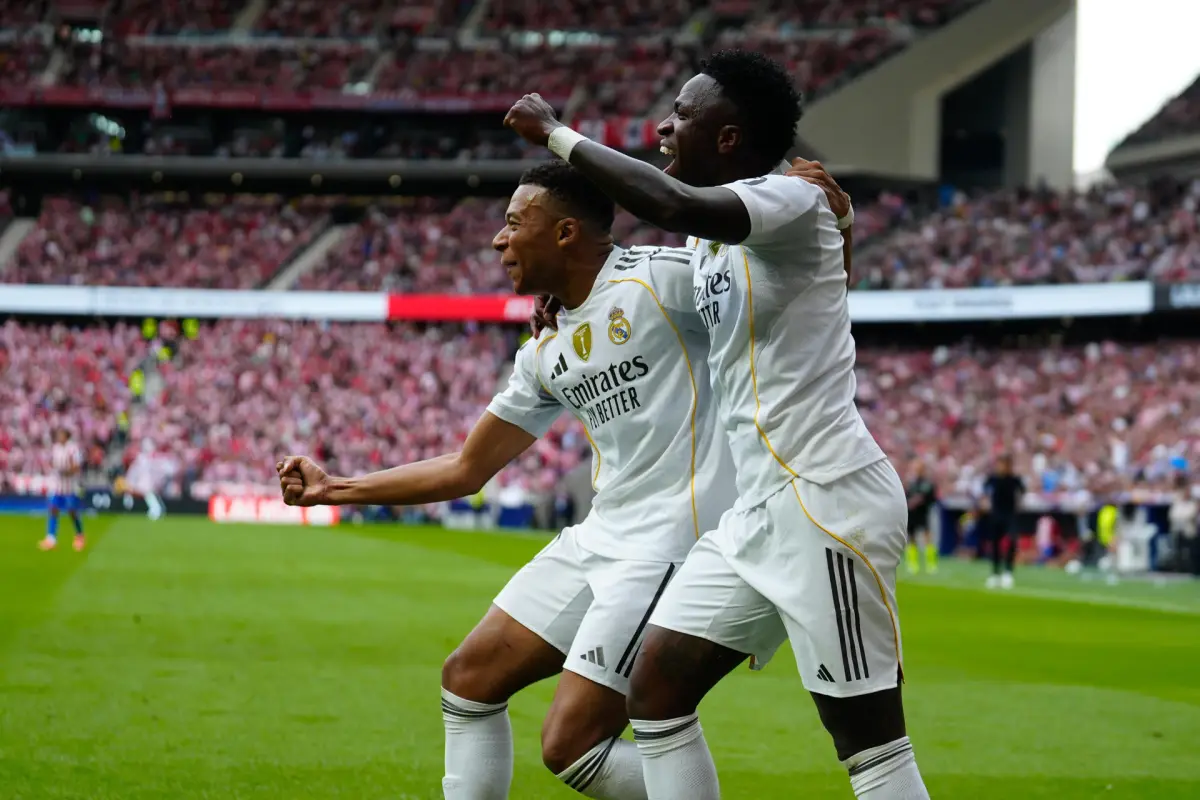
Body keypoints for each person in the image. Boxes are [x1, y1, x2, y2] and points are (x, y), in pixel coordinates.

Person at [506, 49, 927, 800]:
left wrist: (557, 136)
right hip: (753, 517)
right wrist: (571, 299)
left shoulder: (784, 198)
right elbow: (804, 283)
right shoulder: (717, 238)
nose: (663, 127)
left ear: (728, 137)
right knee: (655, 694)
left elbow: (673, 205)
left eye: (681, 114)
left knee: (870, 747)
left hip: (825, 501)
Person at [277, 161, 757, 800]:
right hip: (602, 536)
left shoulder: (662, 282)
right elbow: (466, 468)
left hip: (673, 546)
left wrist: (832, 224)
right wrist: (334, 488)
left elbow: (774, 290)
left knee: (572, 746)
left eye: (512, 223)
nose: (497, 239)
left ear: (564, 232)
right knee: (469, 680)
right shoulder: (543, 349)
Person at [982, 454, 1025, 589]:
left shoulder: (1014, 479)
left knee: (1012, 540)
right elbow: (984, 490)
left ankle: (1008, 571)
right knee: (995, 544)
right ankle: (995, 573)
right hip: (996, 515)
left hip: (1010, 515)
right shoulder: (993, 479)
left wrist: (1019, 505)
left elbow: (1022, 492)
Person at [40, 428, 86, 551]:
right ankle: (51, 538)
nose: (59, 437)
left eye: (61, 434)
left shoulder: (73, 448)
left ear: (66, 436)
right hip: (58, 486)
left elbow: (77, 467)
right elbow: (53, 463)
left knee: (72, 512)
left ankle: (79, 535)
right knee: (53, 509)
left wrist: (66, 471)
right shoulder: (56, 448)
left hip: (70, 486)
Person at [904, 460, 938, 574]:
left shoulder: (926, 483)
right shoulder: (910, 483)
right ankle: (912, 564)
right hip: (912, 514)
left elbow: (925, 496)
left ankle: (931, 564)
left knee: (927, 537)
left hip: (923, 513)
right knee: (911, 537)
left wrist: (914, 501)